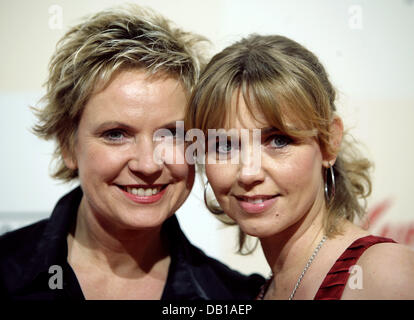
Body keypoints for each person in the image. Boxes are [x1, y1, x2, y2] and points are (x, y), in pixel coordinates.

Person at [0, 6, 264, 300]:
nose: (148, 164)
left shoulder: (236, 297)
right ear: (68, 145)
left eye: (172, 135)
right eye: (116, 134)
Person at [186, 34, 414, 299]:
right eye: (224, 146)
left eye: (278, 140)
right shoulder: (258, 293)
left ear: (329, 142)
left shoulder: (384, 275)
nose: (248, 173)